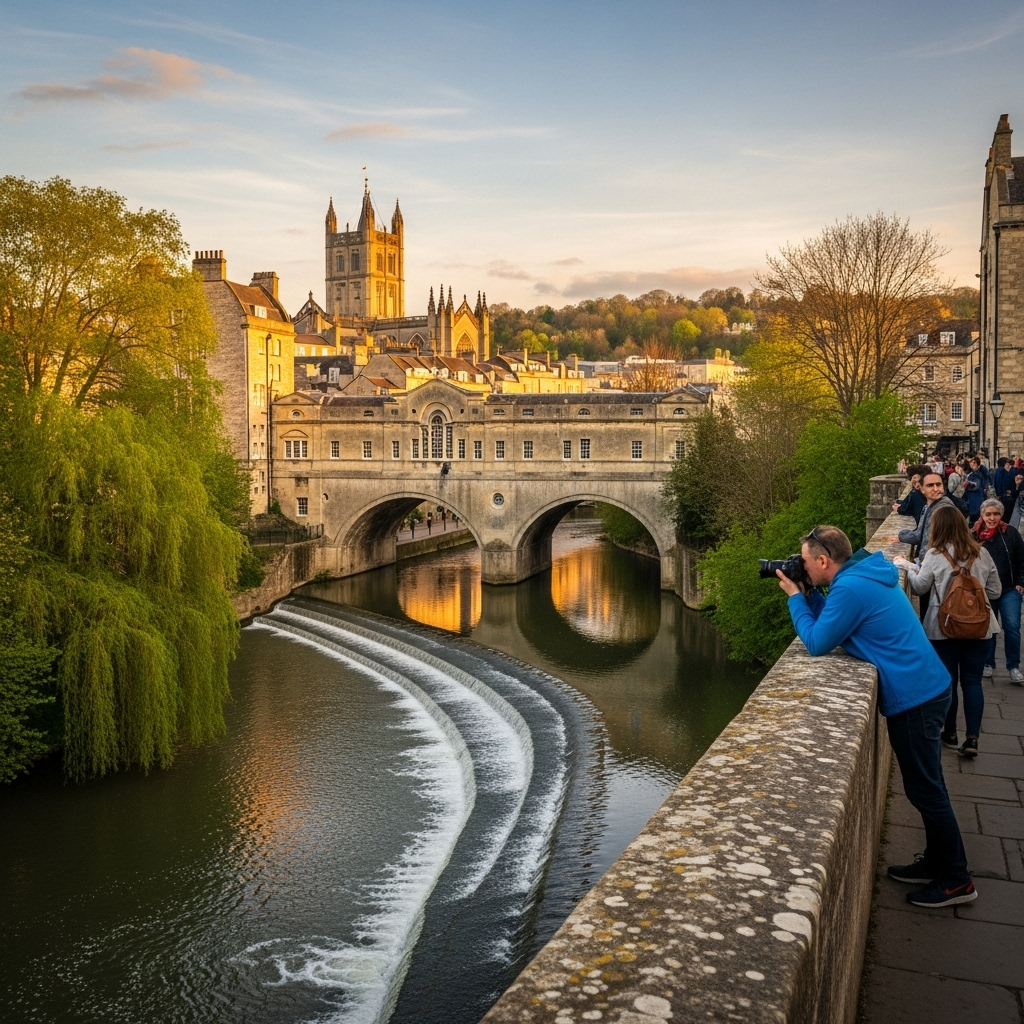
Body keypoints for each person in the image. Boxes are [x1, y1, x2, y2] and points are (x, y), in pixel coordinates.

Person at [777, 524, 977, 908]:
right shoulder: (862, 574)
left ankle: (957, 880)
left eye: (804, 561)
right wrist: (811, 594)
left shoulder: (851, 587)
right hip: (926, 688)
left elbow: (817, 642)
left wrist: (793, 597)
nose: (800, 567)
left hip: (916, 697)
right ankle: (937, 861)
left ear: (823, 561)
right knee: (927, 788)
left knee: (927, 791)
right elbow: (833, 624)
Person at [896, 505, 1000, 759]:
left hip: (944, 628)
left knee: (949, 681)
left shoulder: (935, 554)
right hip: (980, 629)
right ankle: (972, 738)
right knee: (973, 682)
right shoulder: (982, 553)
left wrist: (910, 568)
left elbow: (920, 588)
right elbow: (995, 592)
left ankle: (950, 732)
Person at [887, 472, 954, 620]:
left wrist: (914, 565)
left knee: (934, 616)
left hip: (938, 567)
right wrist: (901, 536)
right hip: (929, 564)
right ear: (922, 489)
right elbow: (919, 535)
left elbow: (931, 542)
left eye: (939, 484)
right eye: (930, 485)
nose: (936, 488)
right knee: (928, 613)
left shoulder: (943, 509)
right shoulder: (929, 506)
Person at [973, 498, 1024, 685]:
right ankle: (988, 663)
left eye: (996, 514)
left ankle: (1013, 667)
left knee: (1012, 626)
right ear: (982, 515)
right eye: (988, 514)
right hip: (985, 590)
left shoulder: (1010, 533)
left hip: (1009, 589)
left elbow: (1021, 559)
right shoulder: (975, 534)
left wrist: (1021, 582)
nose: (992, 518)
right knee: (988, 629)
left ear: (1001, 515)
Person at [964, 457, 988, 525]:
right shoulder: (973, 473)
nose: (972, 464)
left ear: (978, 464)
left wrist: (968, 484)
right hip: (975, 497)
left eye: (974, 462)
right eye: (971, 462)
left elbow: (976, 486)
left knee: (975, 517)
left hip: (975, 498)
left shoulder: (976, 473)